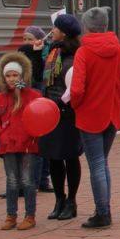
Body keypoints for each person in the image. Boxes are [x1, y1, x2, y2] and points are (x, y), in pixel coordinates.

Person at [70, 7, 120, 228]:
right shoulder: (118, 50)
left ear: (86, 27)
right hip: (111, 115)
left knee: (96, 164)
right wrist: (115, 97)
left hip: (90, 116)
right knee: (103, 163)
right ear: (106, 25)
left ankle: (102, 212)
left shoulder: (84, 52)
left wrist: (77, 104)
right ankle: (104, 208)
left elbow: (77, 88)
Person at [0, 52, 43, 231]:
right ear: (3, 78)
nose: (12, 79)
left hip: (28, 145)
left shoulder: (32, 95)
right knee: (12, 181)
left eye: (15, 75)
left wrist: (34, 134)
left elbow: (42, 115)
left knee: (28, 181)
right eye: (8, 75)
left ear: (22, 75)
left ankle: (30, 216)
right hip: (8, 146)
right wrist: (0, 135)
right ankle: (11, 215)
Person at [38, 12, 84, 221]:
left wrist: (59, 103)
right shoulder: (53, 53)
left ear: (63, 33)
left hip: (68, 114)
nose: (52, 31)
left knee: (70, 157)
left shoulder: (76, 56)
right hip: (50, 113)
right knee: (53, 158)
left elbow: (74, 86)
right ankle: (59, 200)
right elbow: (43, 79)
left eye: (55, 28)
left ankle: (71, 201)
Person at [18, 25, 52, 194]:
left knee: (38, 144)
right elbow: (20, 82)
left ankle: (38, 181)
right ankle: (36, 181)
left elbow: (38, 76)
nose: (26, 43)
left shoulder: (42, 56)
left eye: (30, 39)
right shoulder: (24, 56)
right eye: (24, 39)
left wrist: (35, 53)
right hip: (26, 100)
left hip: (38, 101)